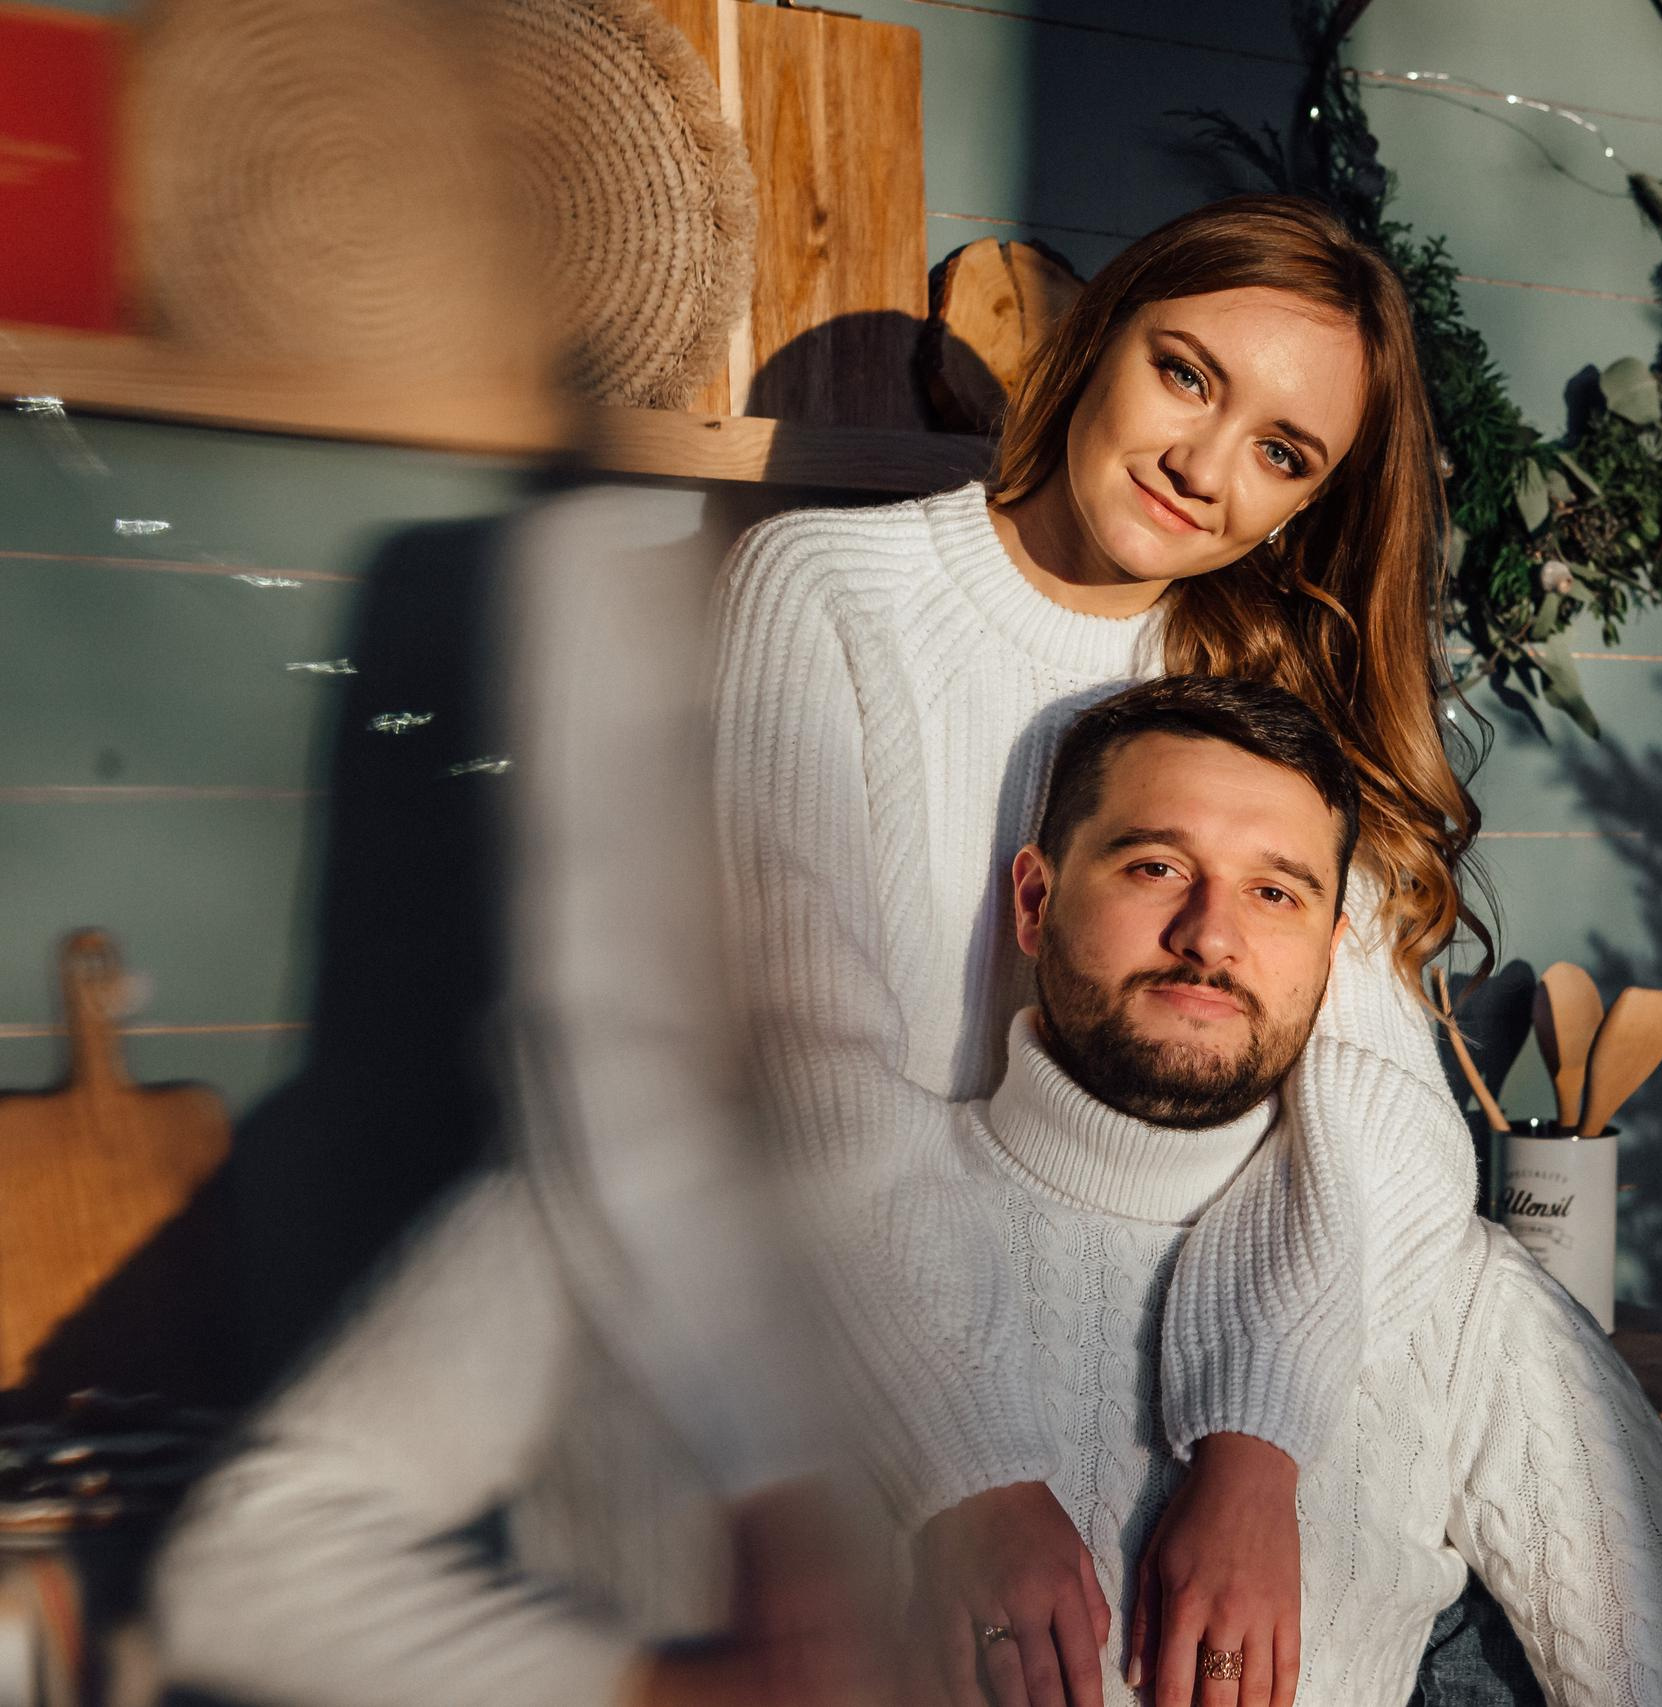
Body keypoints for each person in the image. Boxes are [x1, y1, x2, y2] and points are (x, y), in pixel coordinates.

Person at [151, 677, 1662, 1707]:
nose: (1214, 932)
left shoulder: (1458, 1303)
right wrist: (665, 1689)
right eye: (1155, 866)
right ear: (1031, 894)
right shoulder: (719, 1202)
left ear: (1326, 951)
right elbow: (247, 1567)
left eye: (1277, 893)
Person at [524, 193, 1506, 1707]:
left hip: (1174, 1400)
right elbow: (804, 1070)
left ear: (1309, 503)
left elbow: (1393, 1129)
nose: (1204, 464)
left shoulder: (1263, 695)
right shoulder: (826, 591)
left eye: (1283, 453)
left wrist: (1259, 1454)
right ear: (1097, 337)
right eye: (1187, 374)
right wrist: (962, 1471)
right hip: (879, 1398)